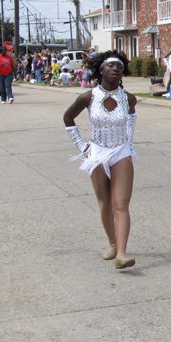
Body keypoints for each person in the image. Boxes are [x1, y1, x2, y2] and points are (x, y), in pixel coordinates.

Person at [63, 51, 138, 270]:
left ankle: (122, 255)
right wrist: (82, 147)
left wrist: (129, 144)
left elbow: (131, 120)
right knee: (105, 202)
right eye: (112, 65)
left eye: (120, 66)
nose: (116, 69)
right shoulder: (89, 97)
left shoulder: (128, 98)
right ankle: (112, 243)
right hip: (96, 152)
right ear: (101, 70)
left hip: (120, 151)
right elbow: (68, 118)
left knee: (120, 204)